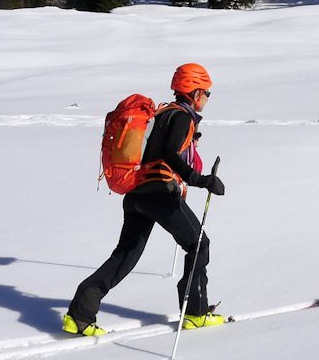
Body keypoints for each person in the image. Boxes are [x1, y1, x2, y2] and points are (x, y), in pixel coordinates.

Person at [63, 63, 228, 336]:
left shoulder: (163, 113)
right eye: (207, 92)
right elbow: (171, 154)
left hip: (137, 194)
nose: (208, 98)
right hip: (159, 193)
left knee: (126, 255)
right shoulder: (181, 117)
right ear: (195, 91)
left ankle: (79, 315)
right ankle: (195, 313)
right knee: (199, 244)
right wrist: (201, 180)